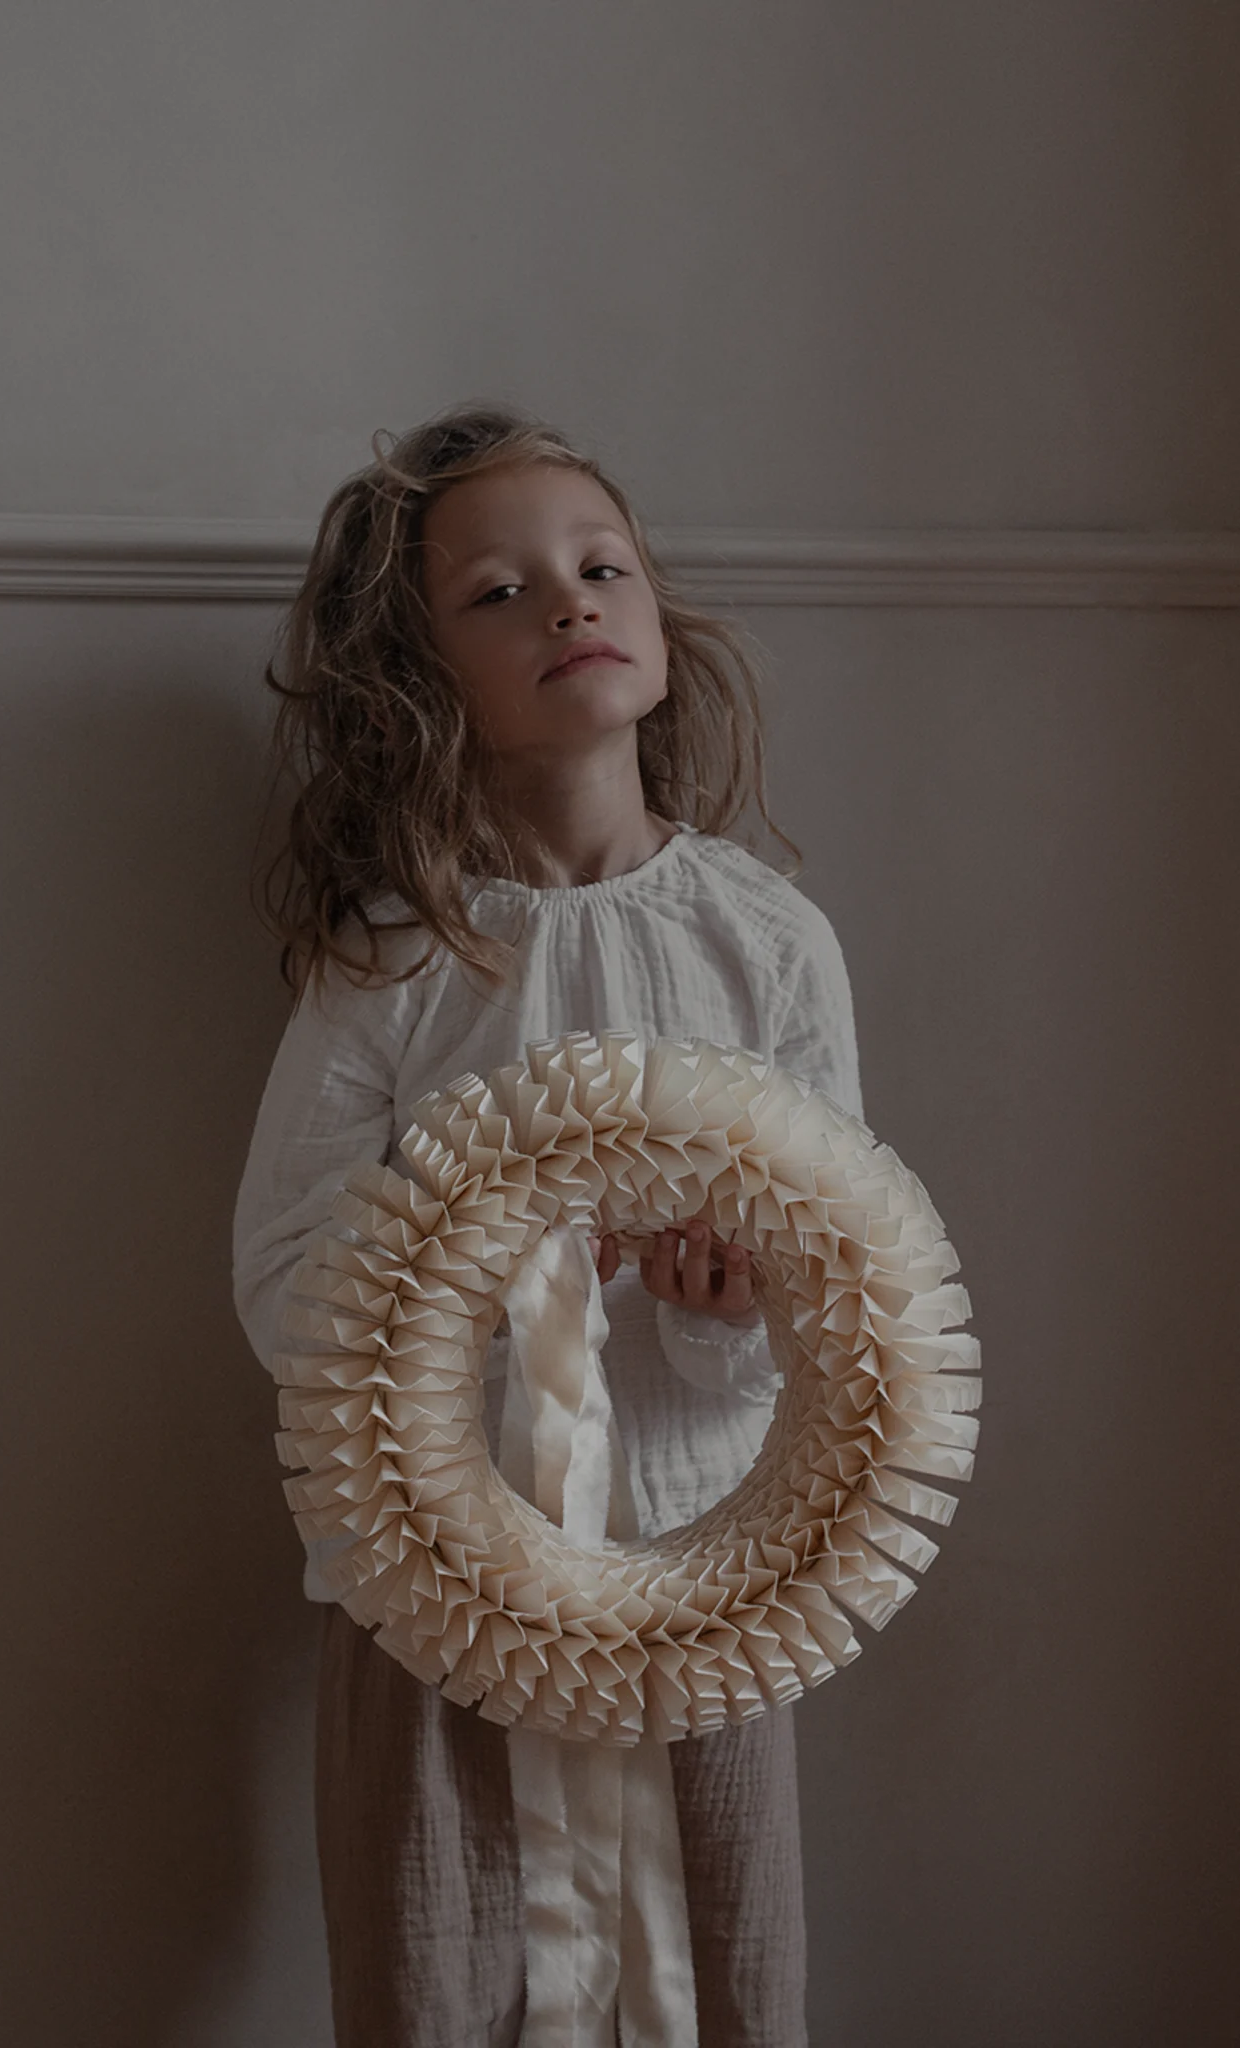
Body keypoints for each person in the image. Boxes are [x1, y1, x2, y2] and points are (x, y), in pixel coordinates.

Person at [232, 400, 864, 2048]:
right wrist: (488, 1275)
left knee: (719, 1972)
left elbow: (844, 1275)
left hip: (699, 1570)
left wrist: (728, 1315)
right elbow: (287, 1273)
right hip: (440, 1592)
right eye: (498, 593)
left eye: (599, 567)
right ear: (417, 677)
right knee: (440, 1974)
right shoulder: (398, 959)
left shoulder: (770, 947)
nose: (569, 604)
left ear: (656, 609)